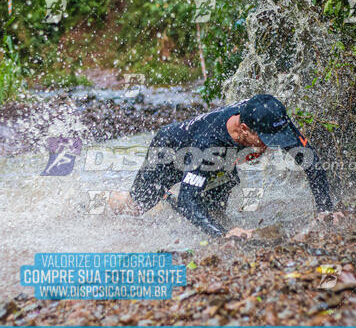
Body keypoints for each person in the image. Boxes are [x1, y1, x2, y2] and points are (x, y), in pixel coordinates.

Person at [122, 94, 342, 238]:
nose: (272, 145)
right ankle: (108, 203)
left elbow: (310, 160)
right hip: (171, 150)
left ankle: (171, 203)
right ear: (244, 129)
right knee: (136, 207)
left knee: (215, 207)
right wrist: (223, 235)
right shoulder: (209, 144)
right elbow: (187, 201)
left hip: (222, 157)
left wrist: (325, 209)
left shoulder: (270, 117)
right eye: (266, 139)